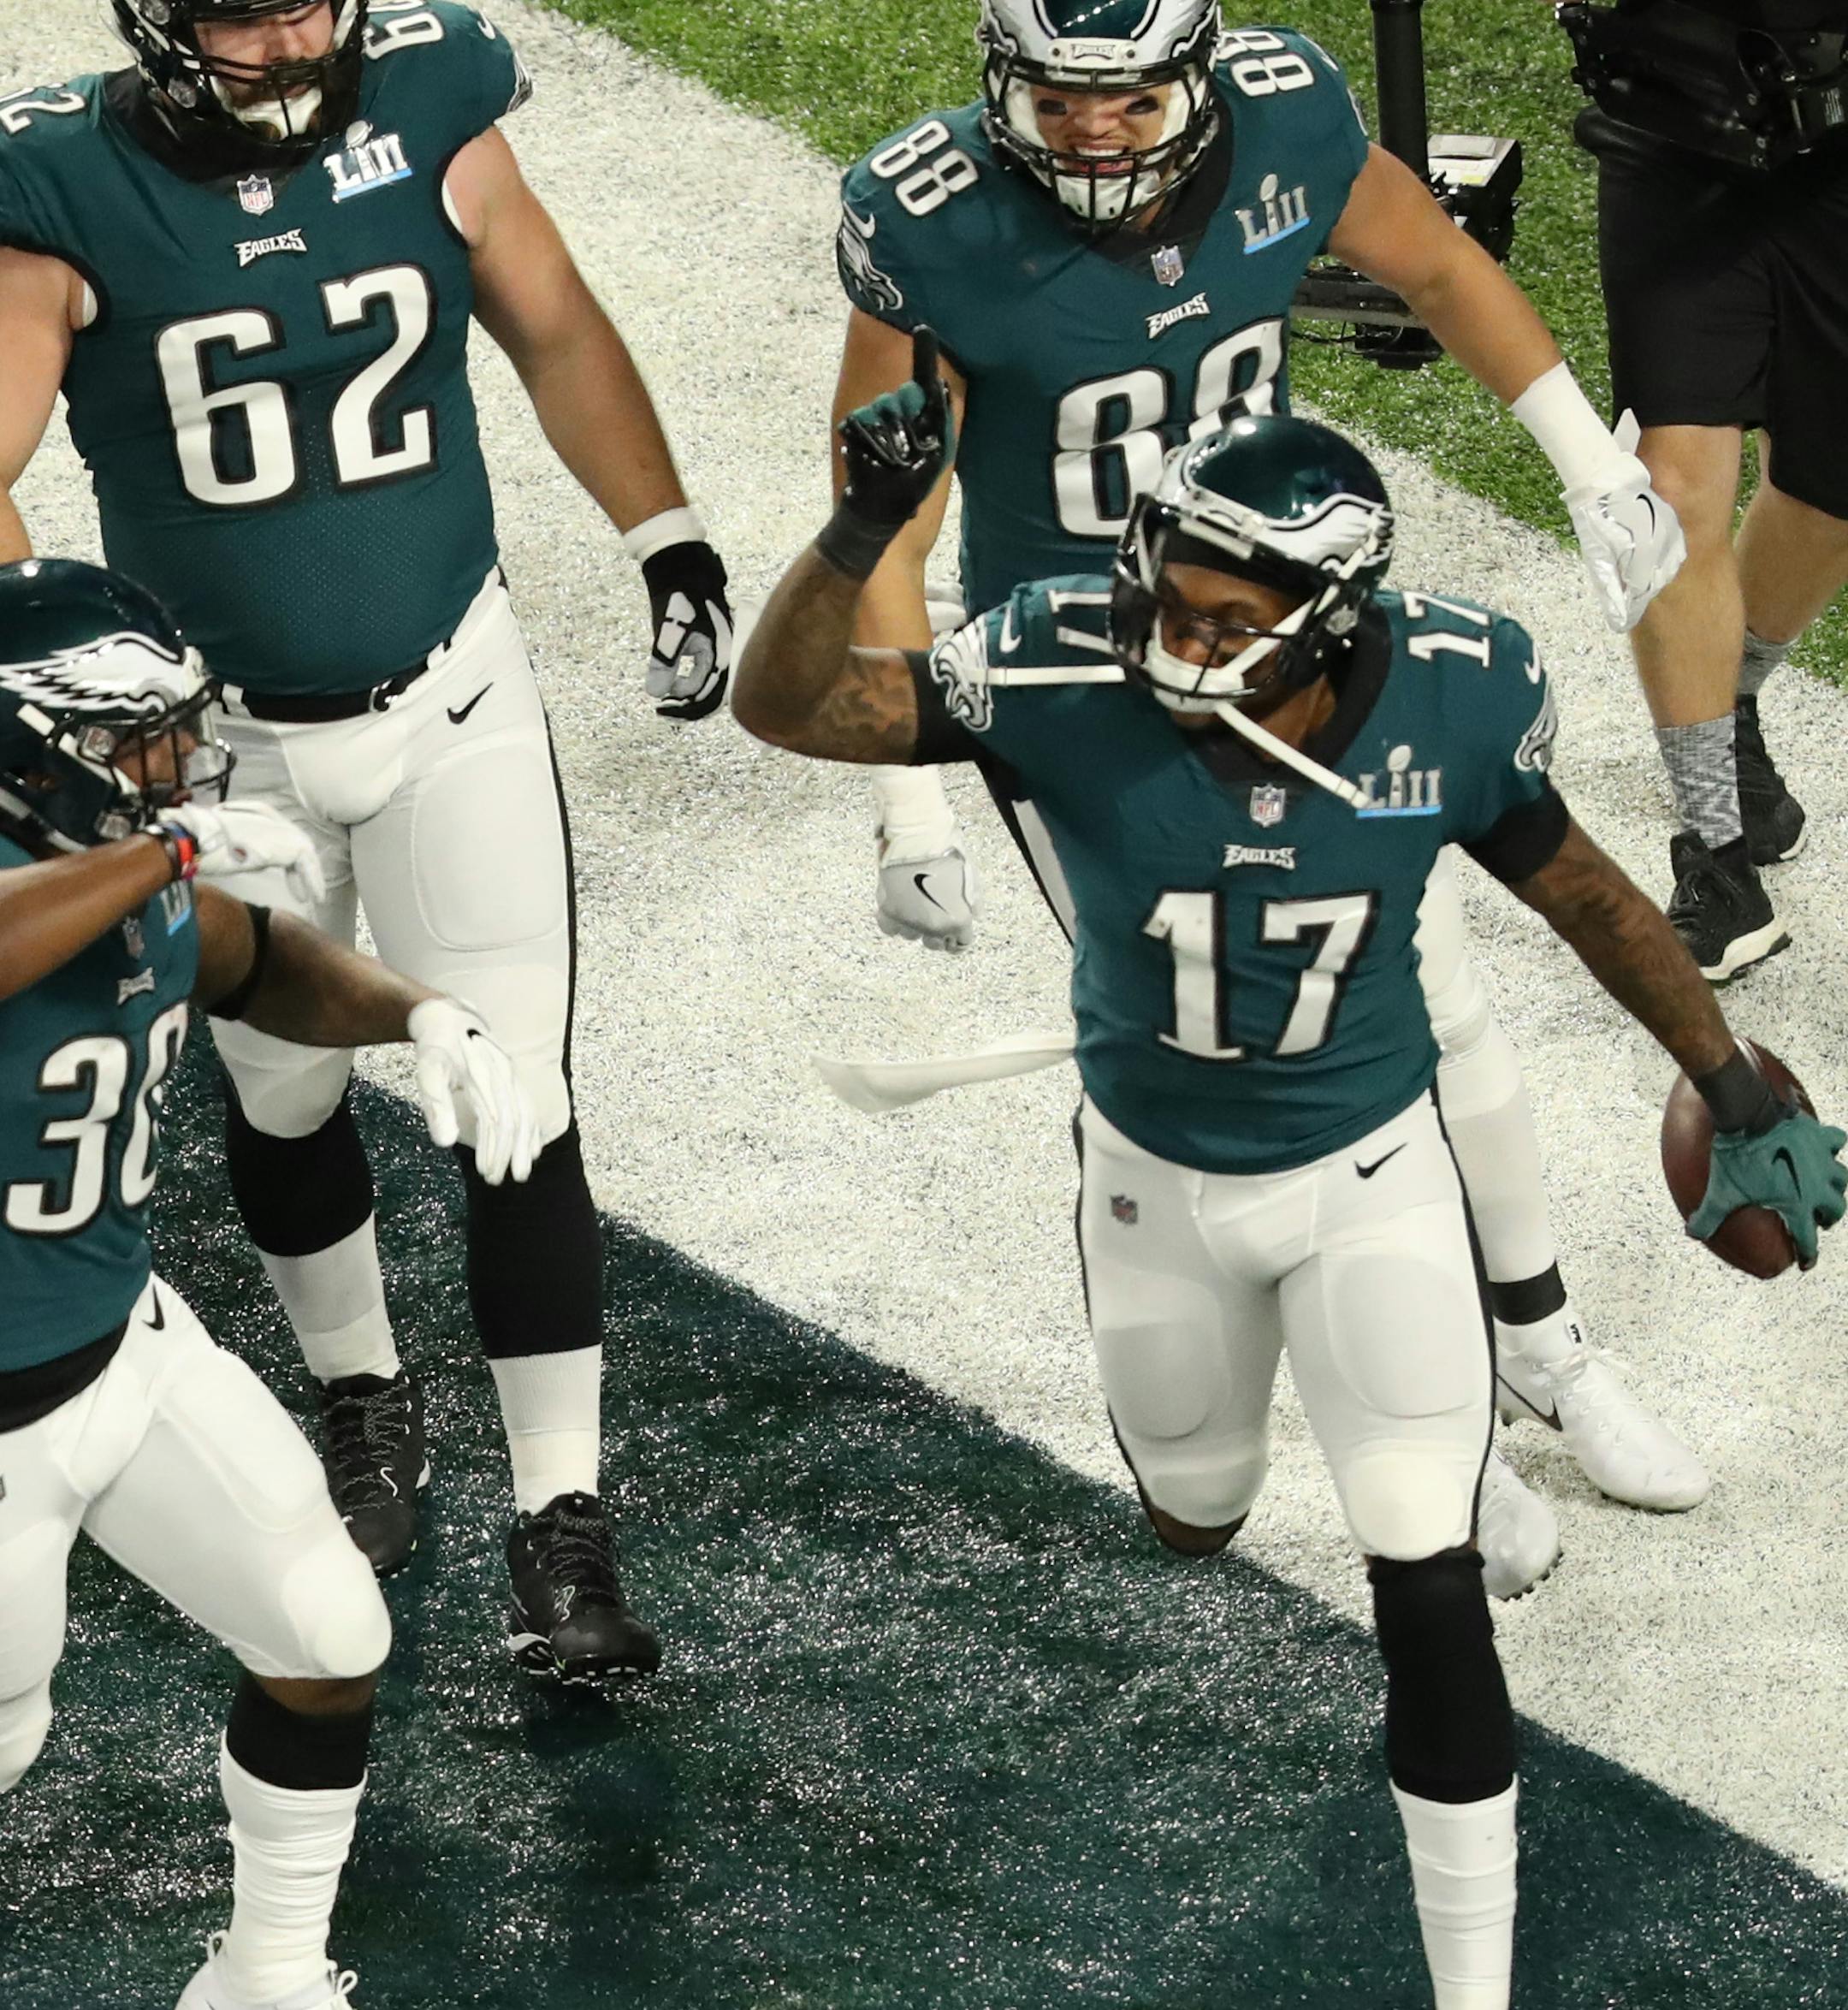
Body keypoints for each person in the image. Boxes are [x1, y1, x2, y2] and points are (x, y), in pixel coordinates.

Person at [732, 367, 1846, 2009]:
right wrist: (854, 534)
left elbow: (1591, 897)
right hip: (1154, 1179)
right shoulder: (1057, 659)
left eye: (1219, 612)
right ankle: (1425, 1434)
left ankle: (1474, 1975)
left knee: (1423, 1570)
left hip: (1371, 1174)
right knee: (1198, 1517)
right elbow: (785, 706)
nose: (1169, 636)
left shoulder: (1454, 693)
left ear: (1325, 624)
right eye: (1165, 595)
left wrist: (1733, 1074)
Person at [826, 0, 1704, 1531]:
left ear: (1202, 76)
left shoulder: (1286, 107)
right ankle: (1447, 1418)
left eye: (1130, 99)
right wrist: (908, 790)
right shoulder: (932, 218)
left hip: (1302, 634)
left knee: (1440, 995)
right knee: (1259, 1035)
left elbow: (1430, 259)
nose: (1094, 134)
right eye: (1058, 99)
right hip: (1091, 684)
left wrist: (1591, 458)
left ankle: (1541, 1348)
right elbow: (889, 505)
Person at [0, 0, 726, 1675]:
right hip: (223, 737)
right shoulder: (61, 182)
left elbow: (551, 324)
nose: (287, 45)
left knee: (516, 1092)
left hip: (450, 693)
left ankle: (564, 1515)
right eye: (246, 18)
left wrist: (665, 531)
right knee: (286, 1090)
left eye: (307, 6)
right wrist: (67, 689)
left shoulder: (433, 85)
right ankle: (359, 1391)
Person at [0, 557, 540, 2010]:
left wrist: (420, 1010)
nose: (173, 767)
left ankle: (266, 1978)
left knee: (324, 1631)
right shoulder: (121, 864)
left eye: (177, 730)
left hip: (119, 1349)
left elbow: (254, 961)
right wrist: (163, 855)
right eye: (131, 741)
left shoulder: (132, 867)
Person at [1561, 0, 1848, 978]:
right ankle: (1716, 856)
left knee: (1832, 495)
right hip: (1677, 122)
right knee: (1668, 496)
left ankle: (1731, 705)